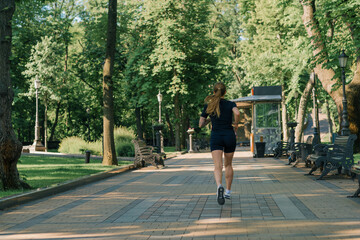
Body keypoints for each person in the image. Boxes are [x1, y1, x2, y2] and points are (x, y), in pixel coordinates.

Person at [199, 82, 240, 205]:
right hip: (229, 135)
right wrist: (236, 124)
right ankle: (227, 191)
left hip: (216, 136)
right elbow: (237, 113)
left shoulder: (209, 105)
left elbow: (200, 124)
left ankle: (219, 187)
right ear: (225, 92)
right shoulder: (230, 104)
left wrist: (210, 119)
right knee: (228, 165)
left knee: (218, 166)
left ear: (213, 92)